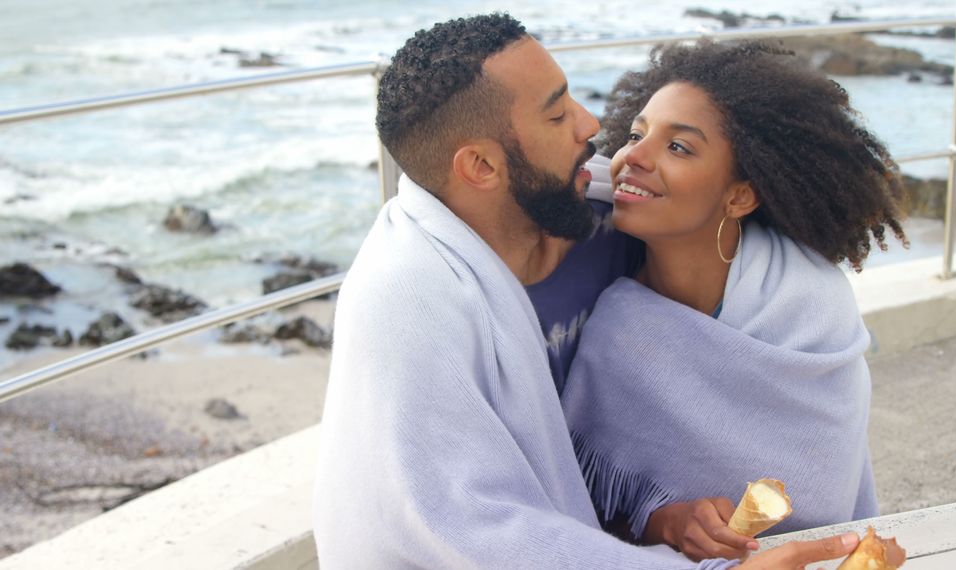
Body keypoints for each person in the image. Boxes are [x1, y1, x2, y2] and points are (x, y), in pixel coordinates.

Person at [314, 15, 861, 569]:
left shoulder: (611, 218)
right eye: (557, 114)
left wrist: (659, 515)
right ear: (480, 166)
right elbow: (473, 531)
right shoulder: (408, 299)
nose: (591, 123)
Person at [561, 40, 909, 563]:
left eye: (678, 147)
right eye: (636, 134)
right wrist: (668, 521)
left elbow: (831, 489)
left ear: (740, 195)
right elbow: (591, 500)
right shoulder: (618, 330)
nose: (633, 156)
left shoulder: (812, 304)